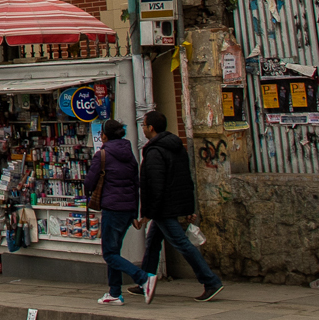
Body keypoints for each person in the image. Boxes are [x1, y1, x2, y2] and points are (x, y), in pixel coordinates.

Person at [138, 110, 225, 302]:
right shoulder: (176, 147)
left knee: (182, 244)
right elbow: (185, 180)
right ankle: (145, 278)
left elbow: (154, 185)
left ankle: (210, 281)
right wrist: (188, 208)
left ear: (151, 128)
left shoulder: (154, 151)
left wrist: (148, 212)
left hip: (163, 208)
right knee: (152, 242)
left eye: (144, 125)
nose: (143, 129)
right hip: (173, 203)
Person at [84, 120, 151, 304]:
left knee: (109, 254)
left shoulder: (102, 154)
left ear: (104, 135)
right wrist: (135, 213)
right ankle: (114, 292)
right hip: (127, 209)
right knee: (115, 251)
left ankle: (143, 278)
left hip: (112, 208)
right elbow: (136, 184)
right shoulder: (130, 154)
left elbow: (89, 183)